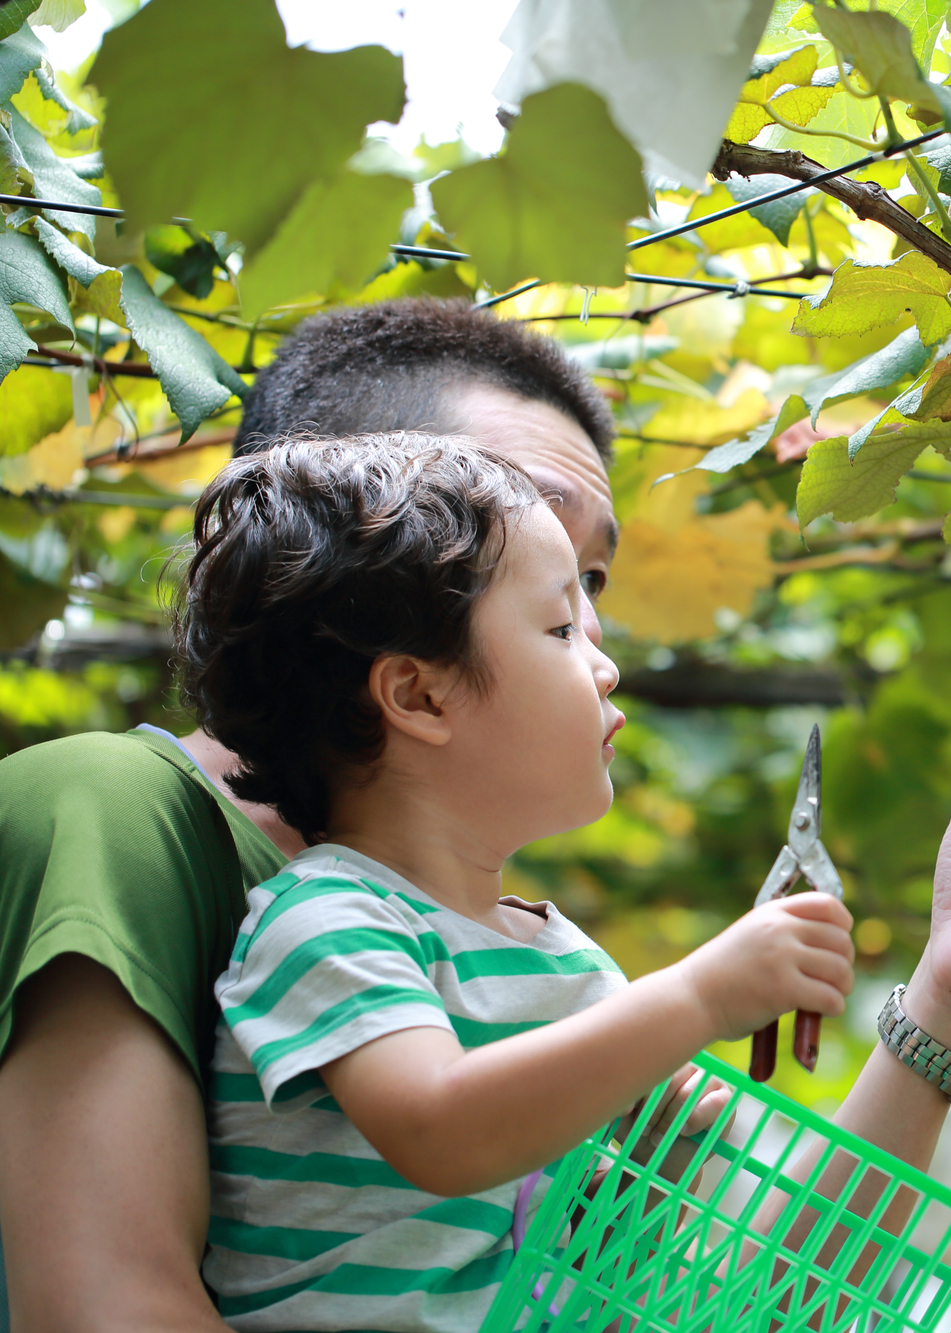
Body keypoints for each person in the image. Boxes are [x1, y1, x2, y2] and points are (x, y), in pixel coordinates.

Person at [0, 299, 951, 1331]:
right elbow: (110, 1301)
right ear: (363, 564)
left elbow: (759, 1282)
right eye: (547, 593)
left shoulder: (534, 960)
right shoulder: (132, 816)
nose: (602, 651)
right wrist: (692, 993)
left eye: (591, 587)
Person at [185, 435, 863, 1329]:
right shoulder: (325, 919)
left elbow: (571, 1270)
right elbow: (440, 1126)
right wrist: (698, 996)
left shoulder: (565, 963)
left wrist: (643, 1181)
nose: (605, 664)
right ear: (419, 697)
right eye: (558, 629)